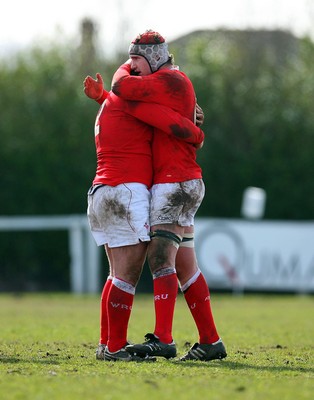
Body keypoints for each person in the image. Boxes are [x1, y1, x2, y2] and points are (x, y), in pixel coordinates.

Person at [110, 29, 227, 361]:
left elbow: (122, 88)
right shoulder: (168, 83)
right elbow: (156, 113)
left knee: (160, 256)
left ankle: (163, 339)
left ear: (156, 57)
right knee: (186, 267)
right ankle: (210, 342)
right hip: (180, 180)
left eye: (136, 58)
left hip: (175, 182)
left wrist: (119, 73)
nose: (131, 65)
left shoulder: (169, 80)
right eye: (129, 58)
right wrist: (194, 129)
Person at [84, 61, 204, 362]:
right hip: (124, 191)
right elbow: (171, 123)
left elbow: (125, 105)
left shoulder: (113, 103)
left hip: (102, 189)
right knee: (128, 273)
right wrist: (195, 131)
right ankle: (115, 348)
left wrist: (102, 97)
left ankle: (107, 343)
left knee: (115, 274)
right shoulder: (130, 98)